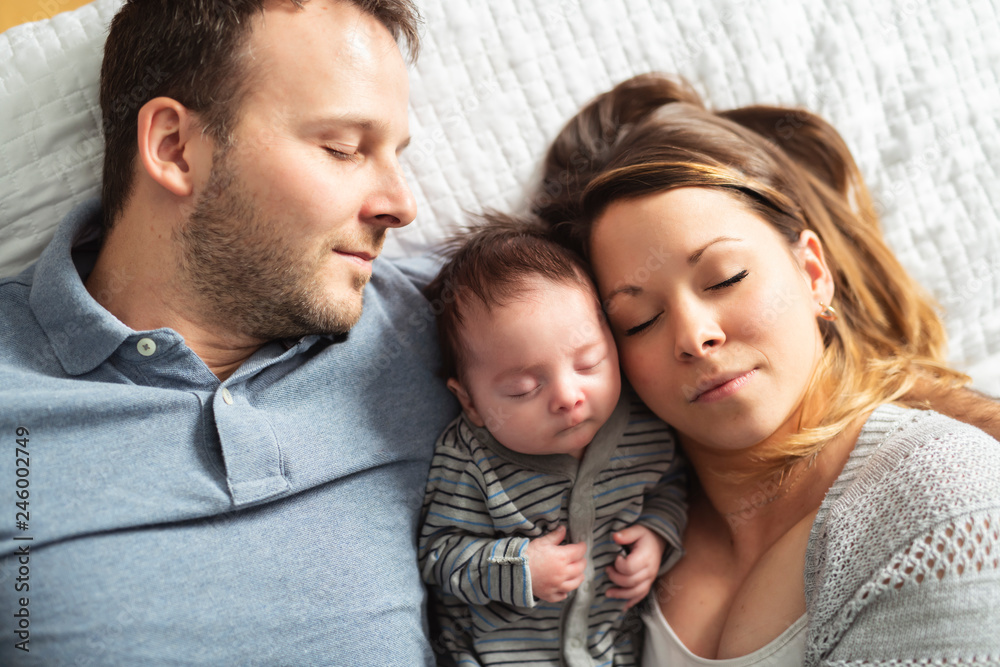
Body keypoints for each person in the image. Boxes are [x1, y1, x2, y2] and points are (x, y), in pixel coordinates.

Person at [0, 1, 459, 664]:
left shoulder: (453, 322)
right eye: (342, 148)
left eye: (396, 155)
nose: (401, 204)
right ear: (174, 147)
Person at [533, 73, 1000, 664]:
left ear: (812, 274)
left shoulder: (948, 490)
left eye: (726, 279)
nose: (695, 338)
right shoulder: (623, 539)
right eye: (638, 321)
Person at [418, 218, 686, 666]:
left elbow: (672, 485)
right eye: (523, 389)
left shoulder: (644, 426)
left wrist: (657, 535)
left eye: (589, 363)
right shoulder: (470, 460)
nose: (567, 396)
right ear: (471, 404)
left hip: (611, 651)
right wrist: (518, 566)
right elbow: (439, 555)